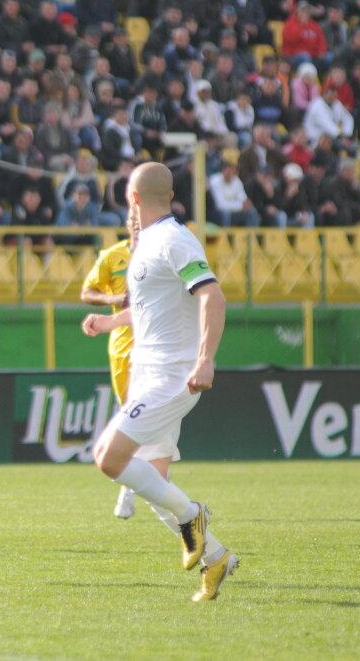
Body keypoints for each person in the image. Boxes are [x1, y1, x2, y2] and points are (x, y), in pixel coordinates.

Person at [82, 162, 237, 603]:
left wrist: (205, 360)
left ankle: (194, 516)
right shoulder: (149, 242)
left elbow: (213, 296)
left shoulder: (172, 239)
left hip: (172, 377)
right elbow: (156, 306)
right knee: (152, 482)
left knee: (108, 457)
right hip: (149, 373)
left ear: (131, 199)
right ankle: (216, 558)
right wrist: (113, 320)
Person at [81, 212, 138, 520]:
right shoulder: (112, 256)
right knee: (131, 413)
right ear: (128, 224)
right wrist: (117, 297)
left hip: (159, 345)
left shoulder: (167, 252)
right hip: (124, 347)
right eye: (133, 218)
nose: (138, 222)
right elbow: (87, 292)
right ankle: (141, 485)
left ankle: (135, 488)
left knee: (147, 418)